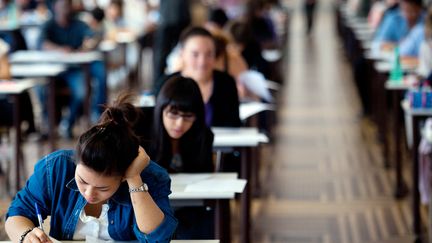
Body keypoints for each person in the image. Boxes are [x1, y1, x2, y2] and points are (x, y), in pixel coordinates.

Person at [5, 94, 177, 243]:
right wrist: (26, 235)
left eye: (103, 188)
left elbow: (158, 239)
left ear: (122, 176)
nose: (89, 194)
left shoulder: (151, 176)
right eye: (82, 181)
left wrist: (134, 178)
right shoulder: (56, 168)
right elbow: (17, 214)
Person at [150, 76, 215, 239]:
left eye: (187, 117)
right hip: (152, 205)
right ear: (161, 110)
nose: (179, 124)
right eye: (173, 114)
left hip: (189, 208)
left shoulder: (203, 136)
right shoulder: (144, 133)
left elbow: (205, 177)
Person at [38, 0, 107, 138]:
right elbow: (42, 43)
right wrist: (59, 49)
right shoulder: (48, 25)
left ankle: (68, 123)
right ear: (55, 6)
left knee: (82, 91)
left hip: (73, 70)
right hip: (51, 70)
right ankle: (49, 125)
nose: (66, 8)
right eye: (62, 5)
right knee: (40, 90)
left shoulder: (78, 24)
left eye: (68, 5)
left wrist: (88, 44)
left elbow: (92, 37)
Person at [156, 26, 241, 128]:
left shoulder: (226, 83)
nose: (202, 62)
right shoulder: (166, 84)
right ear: (182, 53)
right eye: (195, 54)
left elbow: (234, 125)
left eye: (209, 54)